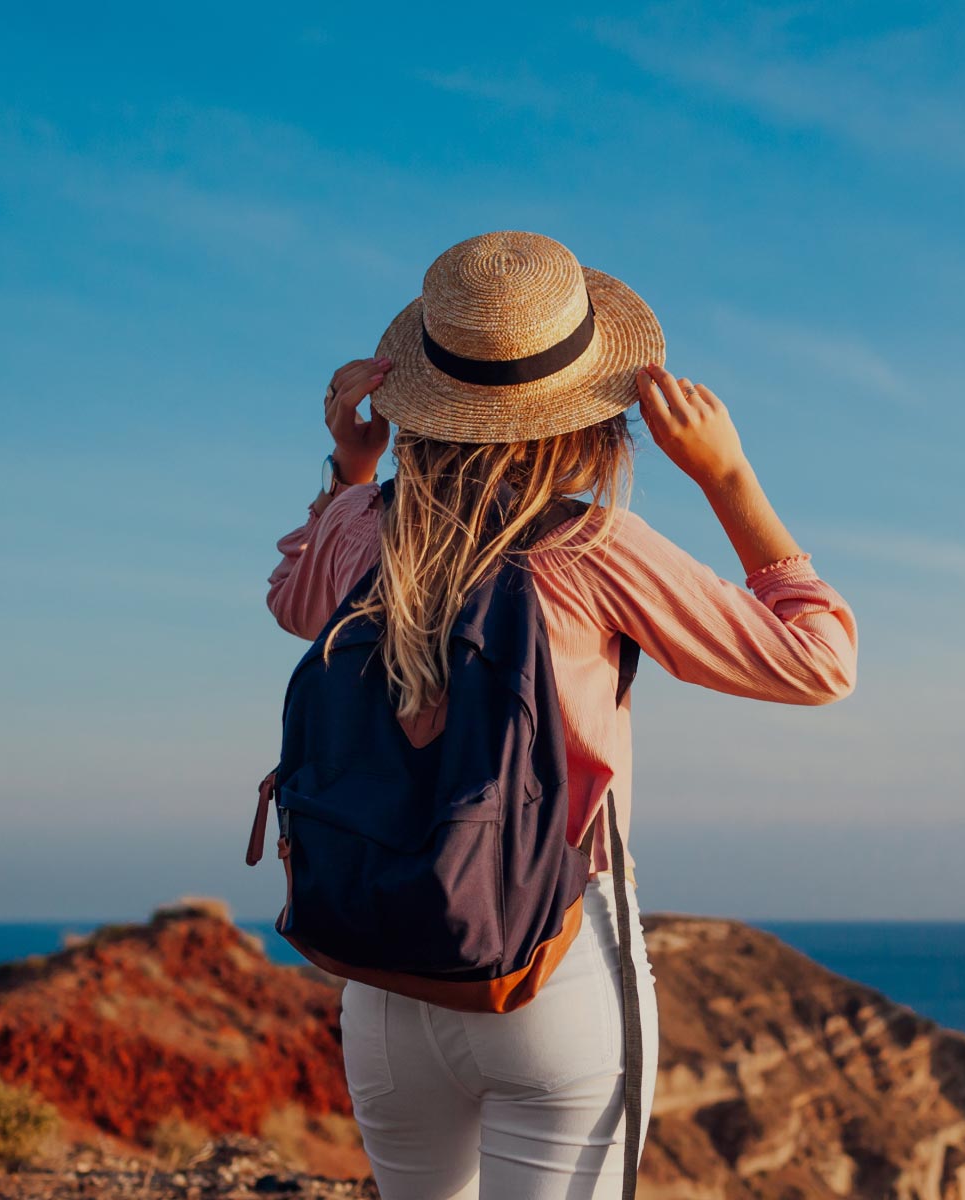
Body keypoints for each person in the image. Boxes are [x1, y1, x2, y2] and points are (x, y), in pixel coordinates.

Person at [264, 230, 859, 1199]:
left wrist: (347, 469)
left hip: (379, 975)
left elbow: (294, 604)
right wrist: (728, 478)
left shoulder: (363, 531)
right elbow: (819, 661)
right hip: (553, 967)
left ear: (426, 398)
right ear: (587, 415)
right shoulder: (592, 548)